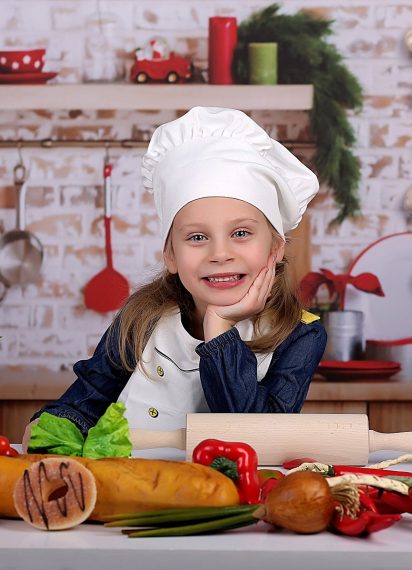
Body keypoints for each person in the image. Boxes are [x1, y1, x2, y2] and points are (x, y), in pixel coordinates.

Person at [23, 106, 327, 449]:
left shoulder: (300, 334)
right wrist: (55, 426)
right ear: (170, 255)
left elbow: (258, 440)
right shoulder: (142, 318)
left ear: (276, 246)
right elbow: (84, 403)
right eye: (197, 237)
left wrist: (220, 330)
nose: (220, 253)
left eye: (241, 233)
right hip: (129, 478)